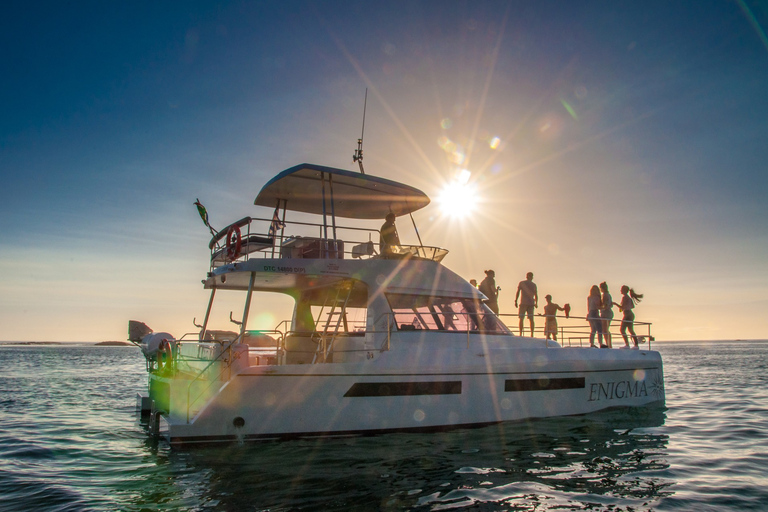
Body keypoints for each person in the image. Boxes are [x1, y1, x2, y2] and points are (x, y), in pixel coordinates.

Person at [515, 272, 538, 336]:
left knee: (522, 318)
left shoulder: (522, 283)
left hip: (524, 303)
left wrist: (516, 301)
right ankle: (532, 334)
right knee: (531, 319)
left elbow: (518, 292)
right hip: (530, 303)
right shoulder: (533, 285)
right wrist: (536, 303)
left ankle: (520, 333)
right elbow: (536, 295)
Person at [599, 282, 616, 348]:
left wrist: (599, 307)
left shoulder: (605, 295)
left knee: (605, 330)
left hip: (606, 313)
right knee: (605, 329)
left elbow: (605, 305)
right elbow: (611, 304)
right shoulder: (608, 295)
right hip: (608, 313)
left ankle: (609, 344)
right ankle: (609, 344)